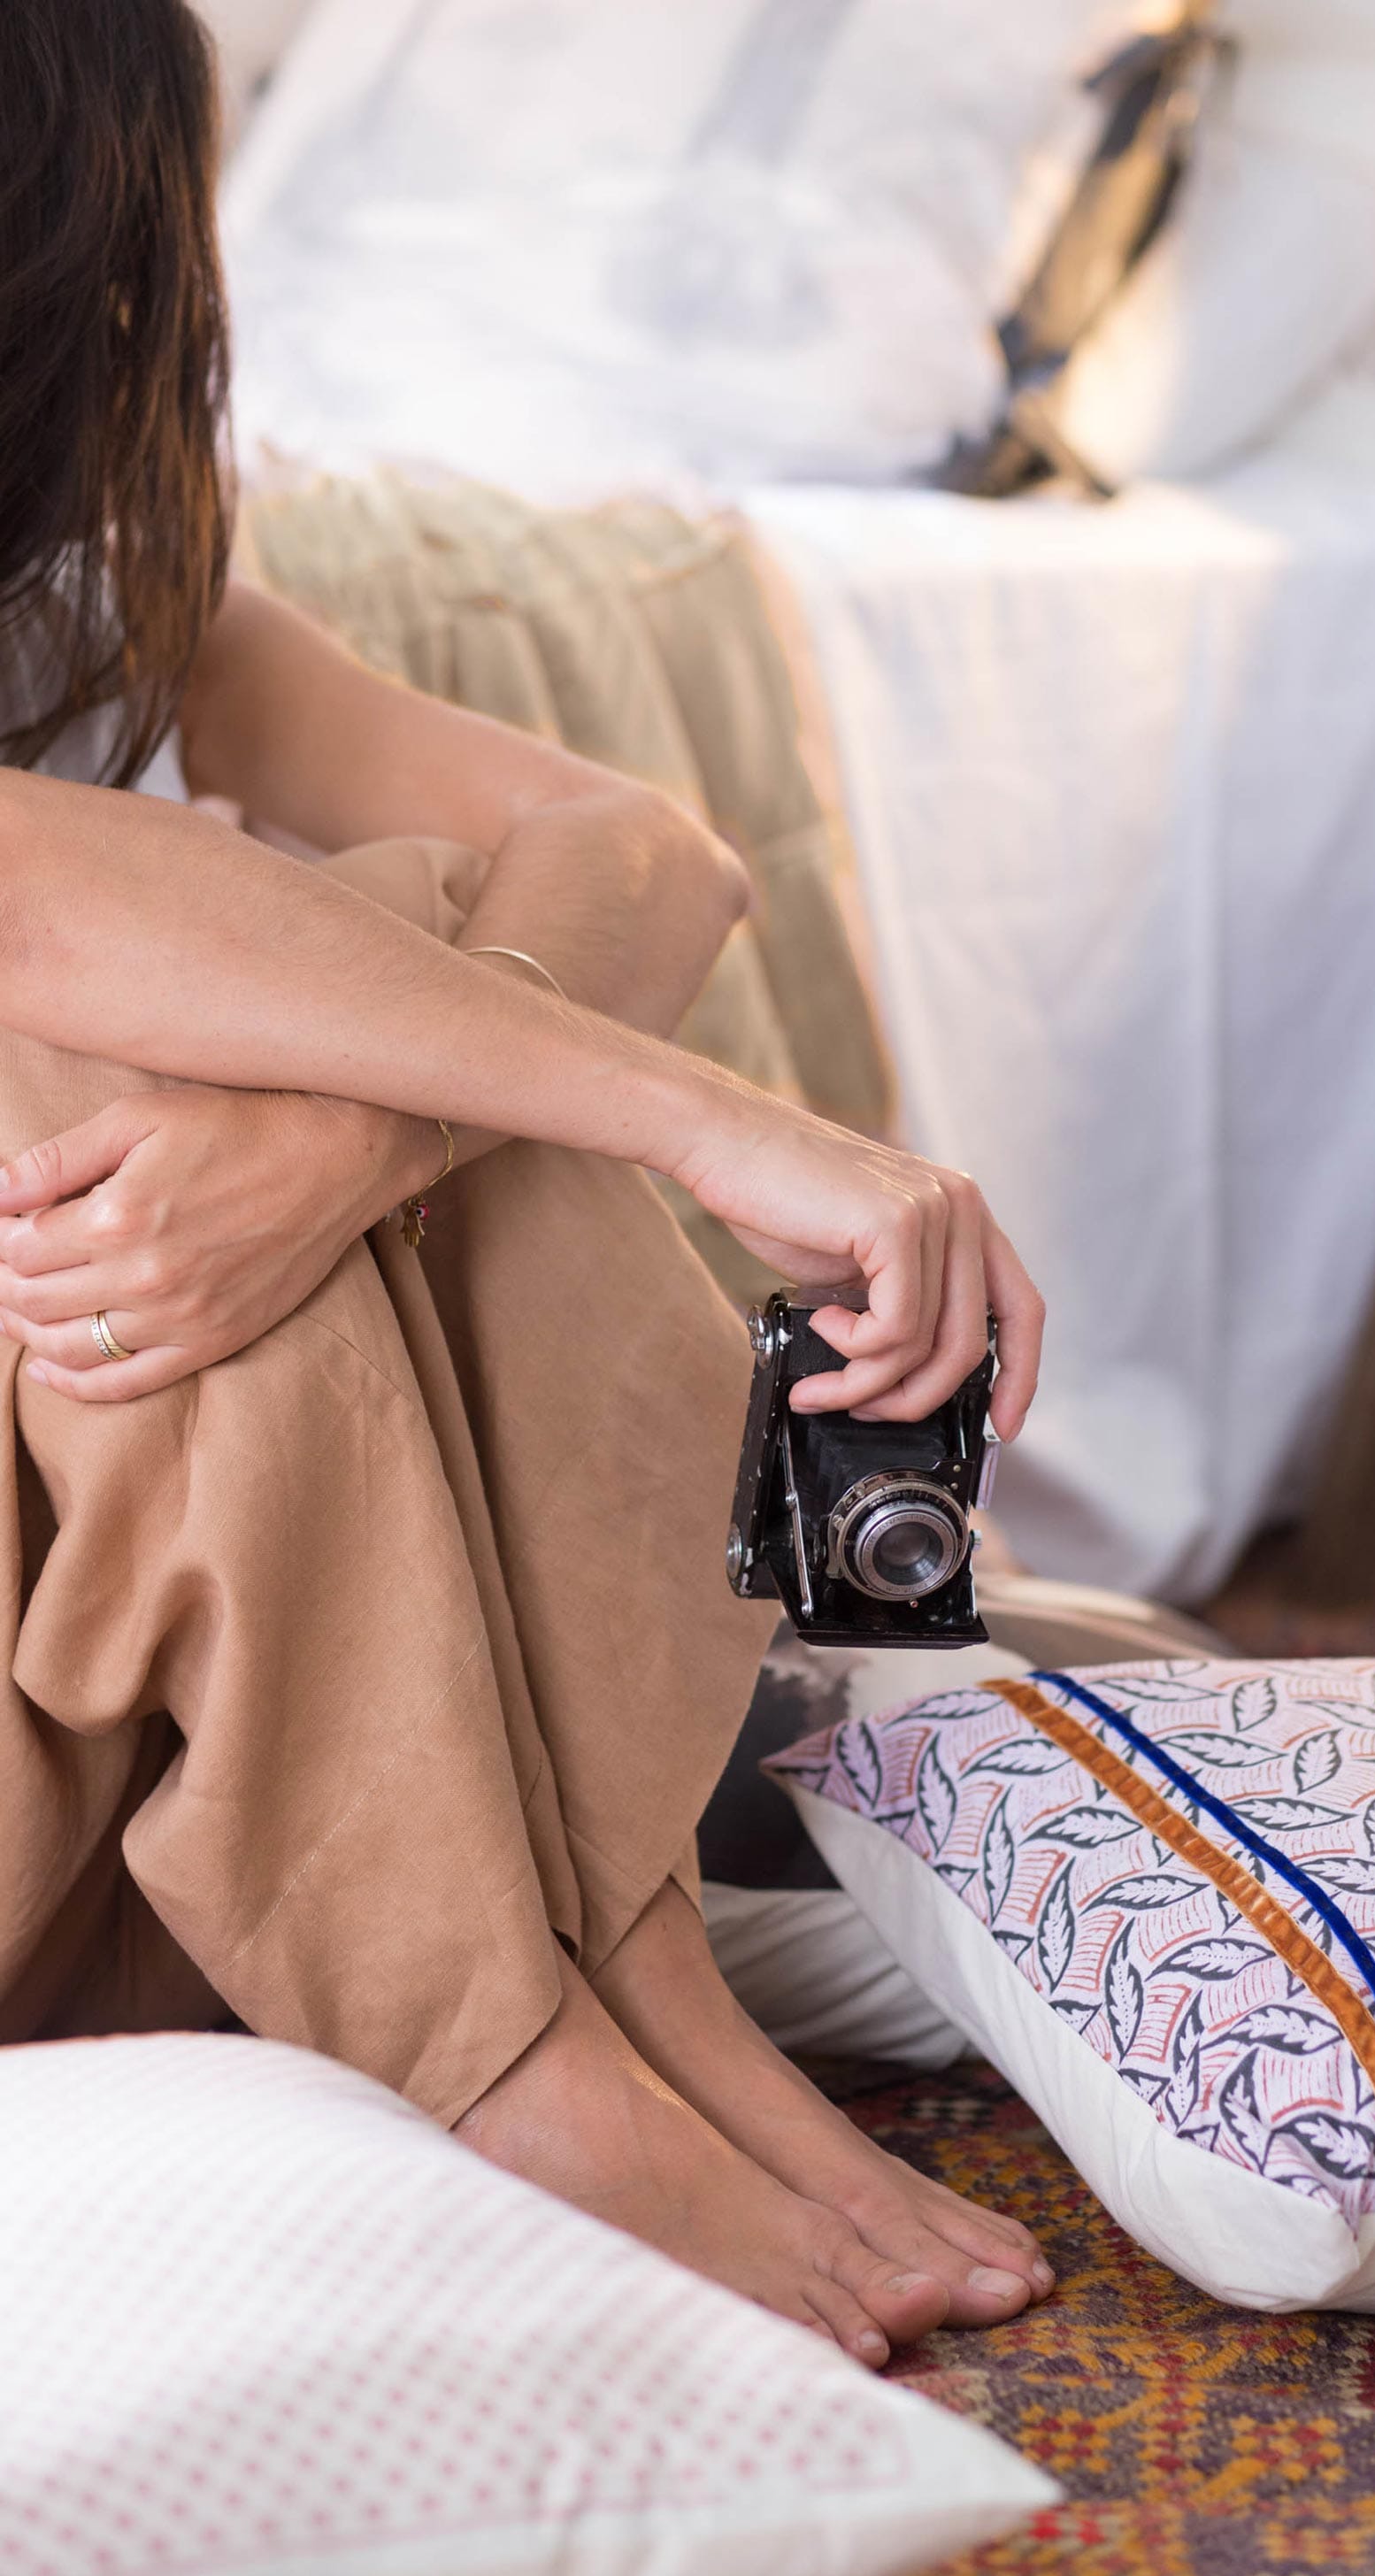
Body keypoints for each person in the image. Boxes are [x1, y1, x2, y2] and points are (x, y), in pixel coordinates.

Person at [0, 0, 1051, 2367]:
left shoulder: (105, 600)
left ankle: (629, 1982)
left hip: (148, 1824)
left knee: (386, 996)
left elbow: (636, 848)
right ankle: (496, 2051)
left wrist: (363, 1129)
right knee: (144, 1042)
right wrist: (681, 1110)